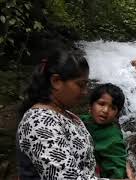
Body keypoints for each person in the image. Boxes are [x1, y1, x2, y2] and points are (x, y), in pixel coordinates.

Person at [16, 49, 103, 179]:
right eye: (80, 85)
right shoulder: (39, 121)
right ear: (56, 81)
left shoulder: (67, 115)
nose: (85, 92)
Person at [80, 83, 132, 179]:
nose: (105, 110)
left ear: (117, 114)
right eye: (101, 104)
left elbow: (118, 168)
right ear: (90, 105)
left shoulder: (113, 138)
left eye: (113, 108)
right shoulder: (81, 121)